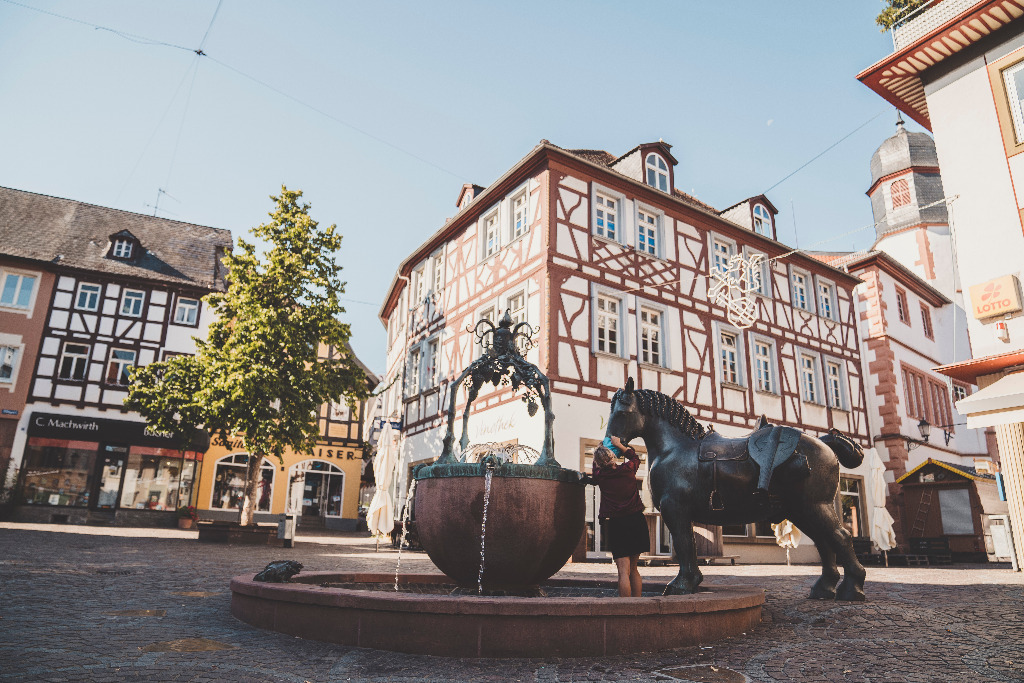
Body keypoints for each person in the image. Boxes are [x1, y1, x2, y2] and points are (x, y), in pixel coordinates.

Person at [583, 435, 649, 597]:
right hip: (636, 521)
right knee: (634, 569)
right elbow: (634, 456)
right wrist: (619, 445)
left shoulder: (601, 477)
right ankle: (638, 607)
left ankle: (625, 610)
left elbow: (595, 470)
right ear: (613, 457)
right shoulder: (628, 470)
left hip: (617, 525)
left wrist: (598, 451)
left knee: (622, 572)